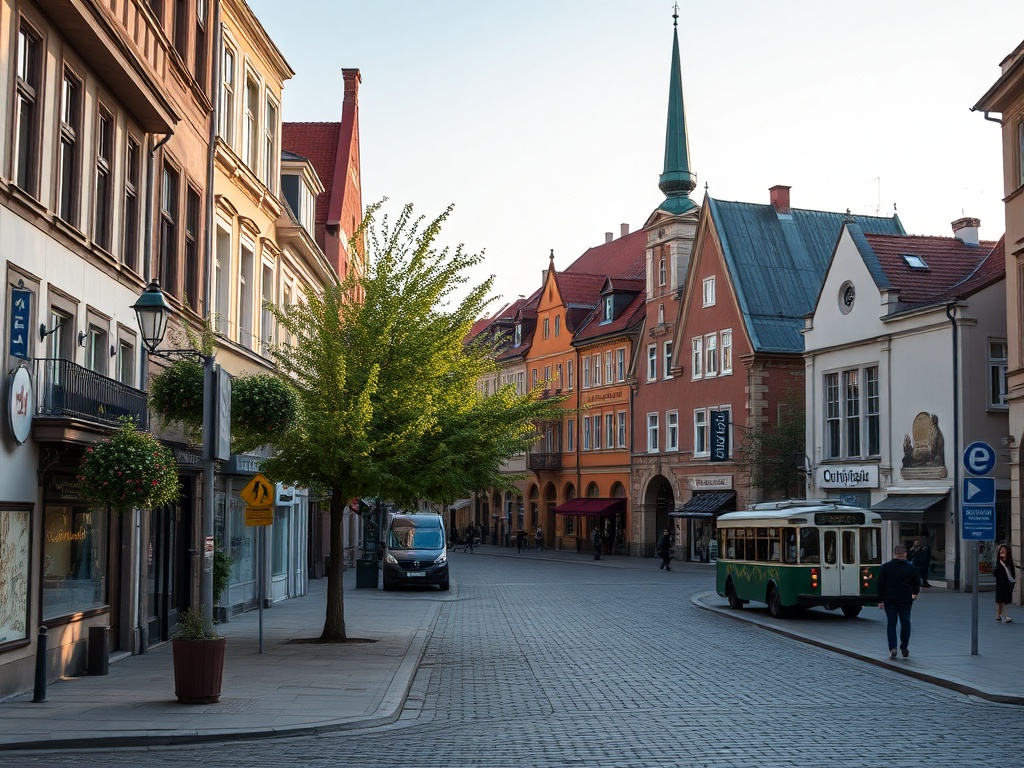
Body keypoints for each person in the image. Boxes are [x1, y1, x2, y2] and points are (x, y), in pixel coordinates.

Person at [877, 544, 921, 659]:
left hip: (889, 599)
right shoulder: (911, 568)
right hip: (905, 599)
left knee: (891, 623)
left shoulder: (886, 567)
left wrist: (880, 600)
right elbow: (916, 582)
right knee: (905, 622)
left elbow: (880, 584)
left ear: (894, 554)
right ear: (905, 554)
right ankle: (904, 647)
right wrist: (915, 593)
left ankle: (892, 648)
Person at [994, 543, 1016, 623]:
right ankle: (1000, 616)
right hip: (1000, 584)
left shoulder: (1009, 561)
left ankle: (1002, 616)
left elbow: (1012, 572)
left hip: (1008, 582)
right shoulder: (998, 561)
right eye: (1001, 550)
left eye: (1004, 549)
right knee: (1000, 601)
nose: (1002, 551)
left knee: (1005, 600)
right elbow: (996, 573)